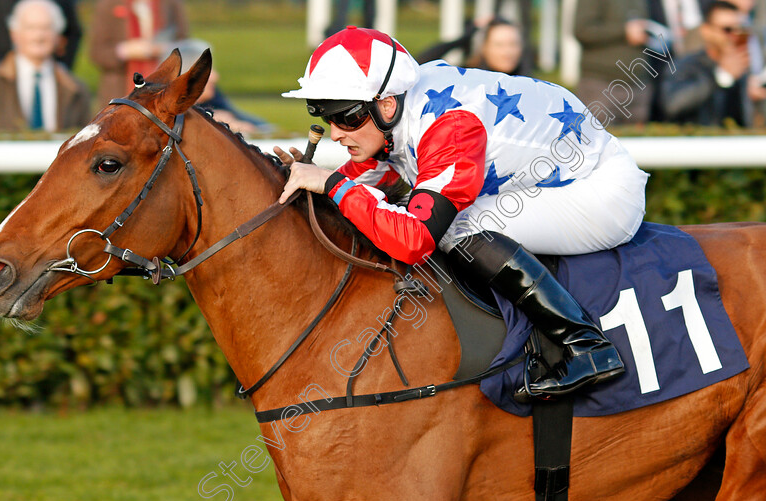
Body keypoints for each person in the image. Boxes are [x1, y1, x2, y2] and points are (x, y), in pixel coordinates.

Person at [274, 27, 649, 401]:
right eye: (326, 118)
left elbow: (413, 241)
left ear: (386, 105)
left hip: (601, 190)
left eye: (347, 118)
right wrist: (322, 186)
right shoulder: (402, 108)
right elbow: (368, 177)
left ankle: (585, 345)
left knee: (458, 227)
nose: (336, 134)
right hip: (561, 172)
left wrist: (334, 187)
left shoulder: (450, 127)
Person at [0, 0, 91, 132]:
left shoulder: (75, 89)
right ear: (14, 34)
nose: (38, 36)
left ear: (58, 36)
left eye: (46, 28)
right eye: (31, 28)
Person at [659, 1, 755, 125]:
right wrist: (721, 77)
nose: (734, 36)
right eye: (727, 29)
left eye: (740, 29)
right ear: (706, 31)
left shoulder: (742, 67)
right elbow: (672, 105)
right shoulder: (685, 66)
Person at [88, 0, 188, 107]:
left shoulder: (171, 4)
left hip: (163, 92)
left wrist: (164, 49)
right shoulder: (109, 5)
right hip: (121, 89)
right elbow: (97, 53)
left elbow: (185, 46)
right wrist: (125, 51)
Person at [574, 0, 654, 124]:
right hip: (601, 84)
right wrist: (623, 31)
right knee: (596, 139)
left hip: (638, 84)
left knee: (635, 142)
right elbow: (582, 30)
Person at [416, 17, 529, 76]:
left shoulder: (532, 84)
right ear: (484, 47)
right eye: (499, 45)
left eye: (513, 44)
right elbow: (421, 64)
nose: (507, 52)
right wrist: (464, 37)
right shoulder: (467, 78)